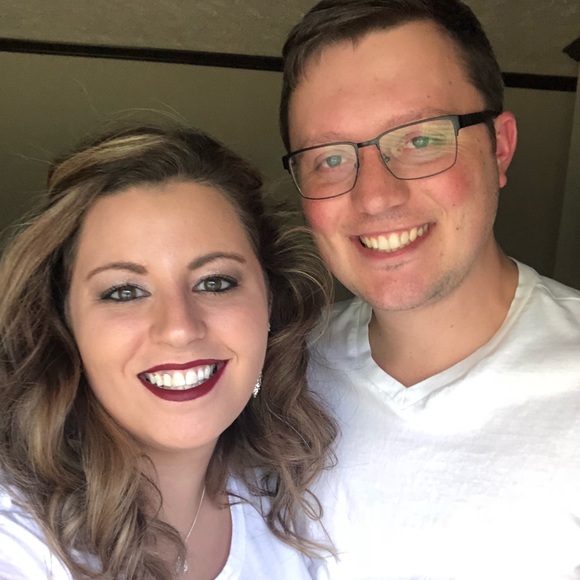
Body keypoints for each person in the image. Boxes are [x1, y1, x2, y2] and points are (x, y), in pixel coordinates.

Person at [279, 0, 580, 578]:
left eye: (420, 140)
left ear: (499, 148)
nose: (375, 197)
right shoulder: (276, 371)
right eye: (330, 158)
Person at [0, 125, 337, 579]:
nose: (179, 328)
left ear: (270, 304)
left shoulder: (291, 503)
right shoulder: (16, 537)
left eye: (215, 282)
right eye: (124, 291)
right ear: (65, 323)